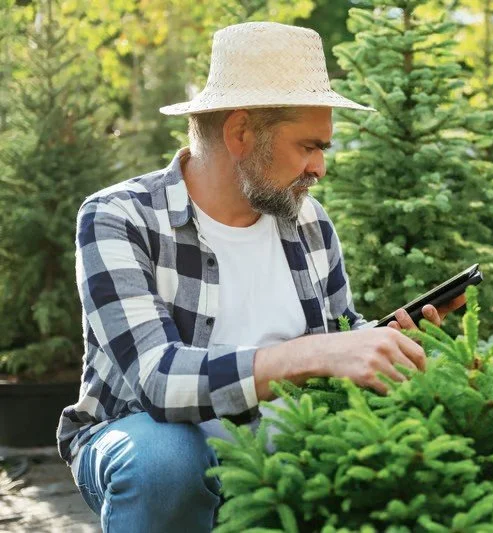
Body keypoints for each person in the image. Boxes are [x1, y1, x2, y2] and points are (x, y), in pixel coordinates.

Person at [56, 21, 466, 532]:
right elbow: (158, 381)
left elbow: (339, 331)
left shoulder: (309, 221)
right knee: (165, 460)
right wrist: (316, 354)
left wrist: (385, 342)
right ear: (241, 133)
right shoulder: (120, 217)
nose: (319, 168)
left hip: (282, 449)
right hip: (143, 442)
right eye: (308, 146)